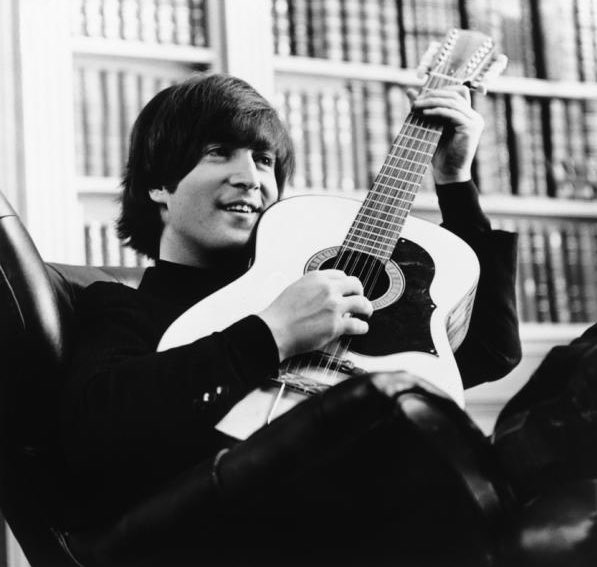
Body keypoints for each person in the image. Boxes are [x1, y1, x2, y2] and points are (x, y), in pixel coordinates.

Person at [60, 73, 521, 565]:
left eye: (264, 160)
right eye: (218, 152)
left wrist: (455, 181)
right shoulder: (122, 307)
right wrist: (271, 332)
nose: (251, 177)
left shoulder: (319, 298)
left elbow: (489, 351)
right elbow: (97, 427)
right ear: (158, 185)